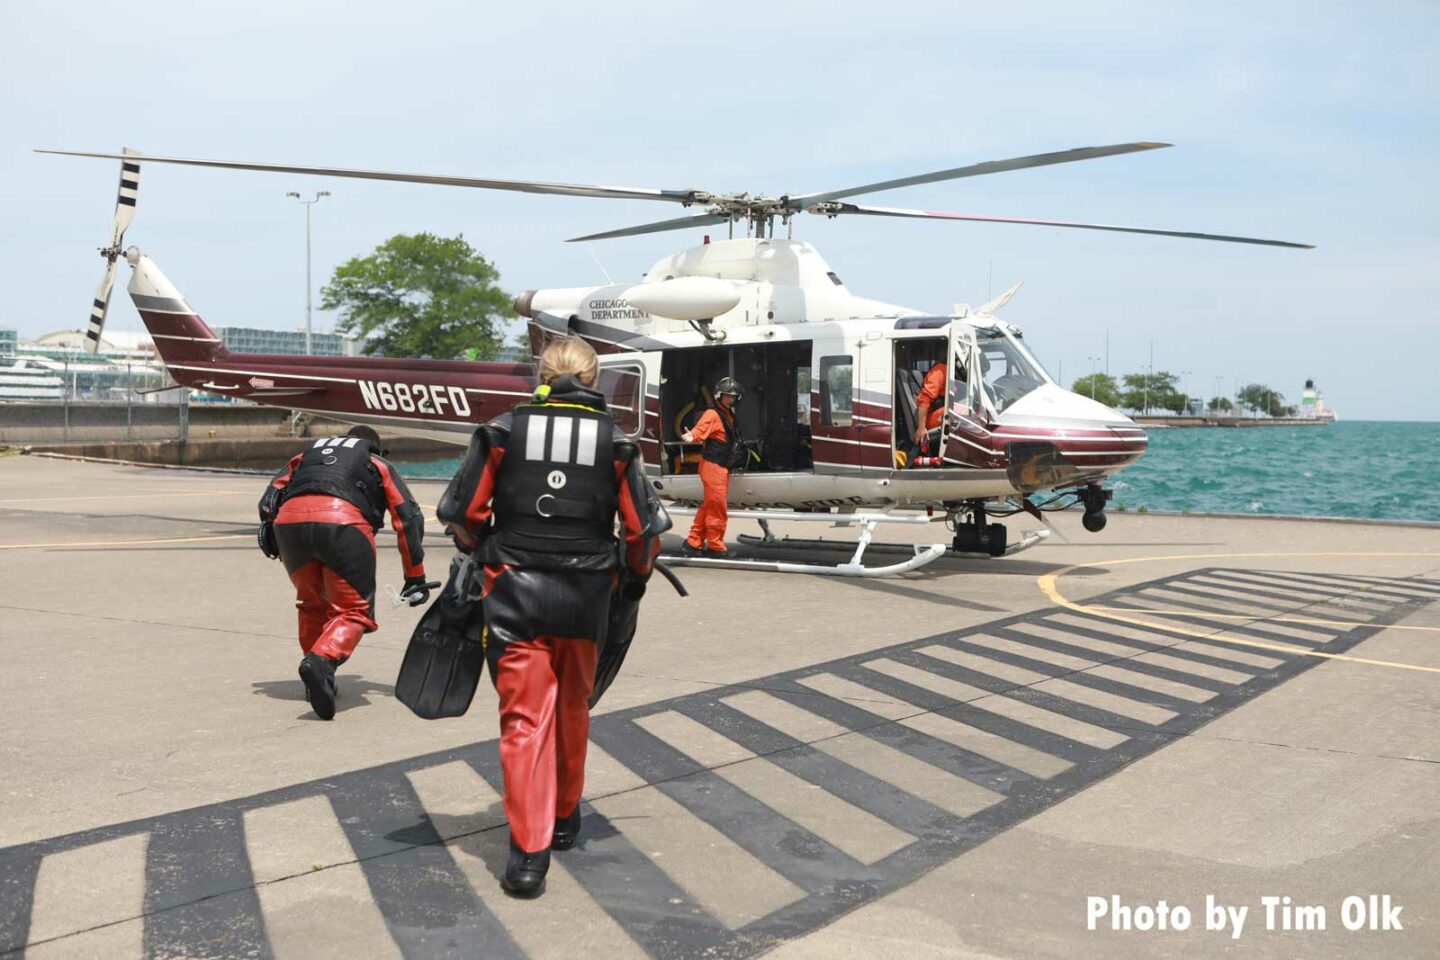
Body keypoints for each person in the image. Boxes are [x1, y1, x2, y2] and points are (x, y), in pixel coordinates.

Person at [437, 336, 661, 897]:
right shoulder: (616, 442)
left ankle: (528, 855)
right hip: (587, 598)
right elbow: (642, 533)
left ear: (541, 374)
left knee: (524, 718)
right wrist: (632, 580)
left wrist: (485, 545)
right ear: (594, 380)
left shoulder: (500, 432)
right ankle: (565, 815)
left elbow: (462, 514)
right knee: (573, 706)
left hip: (513, 594)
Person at [258, 425, 429, 720]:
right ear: (374, 447)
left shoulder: (304, 456)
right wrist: (415, 577)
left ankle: (318, 683)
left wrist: (276, 533)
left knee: (311, 604)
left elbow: (267, 501)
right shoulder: (376, 462)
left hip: (289, 526)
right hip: (343, 524)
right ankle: (321, 661)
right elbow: (409, 518)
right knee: (354, 612)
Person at [680, 377, 742, 556]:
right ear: (719, 396)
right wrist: (692, 436)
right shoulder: (713, 414)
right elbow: (700, 430)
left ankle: (693, 543)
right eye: (727, 396)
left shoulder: (728, 414)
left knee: (709, 506)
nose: (731, 399)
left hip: (720, 467)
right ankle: (715, 547)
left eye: (733, 396)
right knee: (717, 508)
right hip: (714, 467)